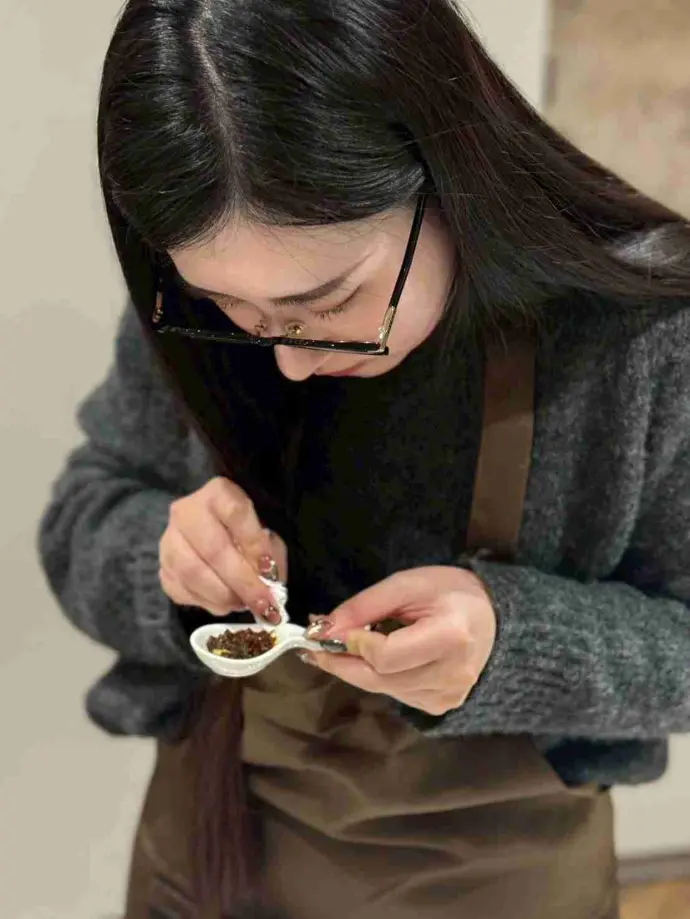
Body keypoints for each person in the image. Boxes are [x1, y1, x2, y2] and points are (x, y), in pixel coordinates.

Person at [39, 1, 690, 917]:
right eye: (235, 311)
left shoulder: (641, 334)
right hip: (212, 857)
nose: (288, 358)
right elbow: (79, 517)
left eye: (330, 302)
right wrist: (169, 564)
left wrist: (514, 644)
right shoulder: (217, 286)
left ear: (448, 175)